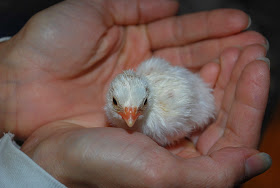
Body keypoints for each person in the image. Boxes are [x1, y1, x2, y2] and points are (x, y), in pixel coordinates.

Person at [0, 0, 271, 187]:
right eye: (119, 106)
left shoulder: (165, 114)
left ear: (147, 99)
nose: (129, 118)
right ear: (111, 99)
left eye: (139, 106)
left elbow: (191, 102)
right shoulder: (129, 95)